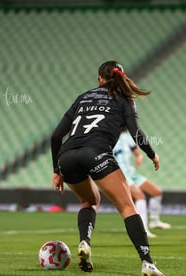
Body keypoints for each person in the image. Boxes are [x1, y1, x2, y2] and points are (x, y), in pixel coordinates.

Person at [50, 61, 164, 275]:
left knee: (89, 201)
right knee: (127, 208)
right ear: (120, 77)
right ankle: (147, 262)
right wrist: (152, 154)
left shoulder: (83, 97)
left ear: (99, 79)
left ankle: (84, 242)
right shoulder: (125, 100)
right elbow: (136, 133)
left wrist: (57, 170)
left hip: (67, 156)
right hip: (96, 153)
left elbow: (56, 136)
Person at [113, 130, 171, 238]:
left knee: (156, 192)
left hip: (131, 173)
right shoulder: (109, 136)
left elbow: (137, 152)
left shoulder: (127, 137)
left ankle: (154, 221)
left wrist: (139, 157)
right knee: (140, 196)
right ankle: (142, 230)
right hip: (120, 174)